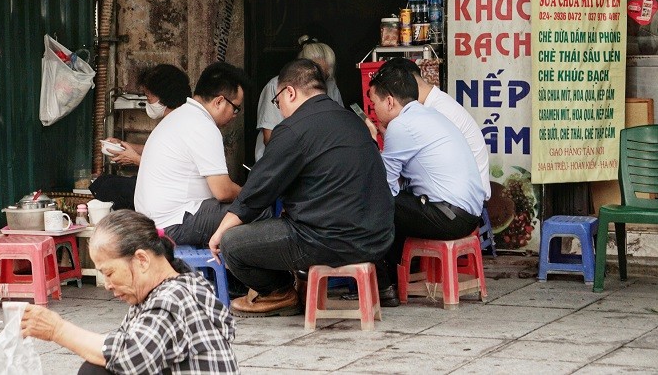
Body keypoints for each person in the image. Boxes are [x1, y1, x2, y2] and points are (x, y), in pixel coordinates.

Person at [208, 59, 394, 317]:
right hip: (378, 239)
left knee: (232, 244)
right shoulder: (354, 122)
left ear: (290, 92)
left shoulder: (293, 129)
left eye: (278, 102)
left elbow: (255, 193)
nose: (281, 109)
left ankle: (280, 293)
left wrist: (220, 232)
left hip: (330, 242)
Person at [20, 210, 238, 375]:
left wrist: (57, 330)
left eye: (110, 272)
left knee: (95, 371)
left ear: (142, 259)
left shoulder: (173, 298)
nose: (107, 284)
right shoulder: (182, 284)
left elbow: (131, 356)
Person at [365, 58, 485, 288]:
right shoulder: (428, 115)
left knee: (374, 203)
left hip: (450, 217)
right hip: (467, 215)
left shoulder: (401, 126)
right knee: (394, 206)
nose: (374, 111)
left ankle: (382, 284)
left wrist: (371, 143)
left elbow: (385, 188)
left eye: (374, 104)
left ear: (389, 102)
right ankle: (393, 280)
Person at [134, 62, 251, 246]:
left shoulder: (180, 116)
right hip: (174, 225)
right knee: (260, 209)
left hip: (155, 222)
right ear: (219, 101)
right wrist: (256, 193)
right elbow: (223, 191)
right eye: (235, 108)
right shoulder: (203, 126)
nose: (235, 115)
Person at [89, 64, 191, 210]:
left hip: (171, 193)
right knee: (106, 181)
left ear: (165, 97)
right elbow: (158, 150)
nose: (147, 101)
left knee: (108, 186)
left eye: (148, 97)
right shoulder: (173, 120)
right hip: (161, 186)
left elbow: (172, 170)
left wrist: (135, 159)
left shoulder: (183, 123)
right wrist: (123, 145)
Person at [398, 58, 490, 200]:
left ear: (404, 85)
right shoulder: (433, 105)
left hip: (463, 206)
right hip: (463, 200)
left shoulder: (438, 111)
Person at [254, 34, 343, 160]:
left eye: (325, 76)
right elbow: (269, 137)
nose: (321, 82)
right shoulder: (276, 86)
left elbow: (338, 124)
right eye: (317, 76)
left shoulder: (331, 85)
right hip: (281, 159)